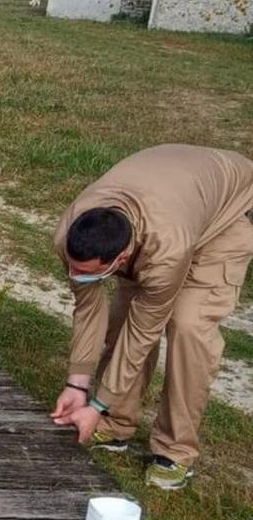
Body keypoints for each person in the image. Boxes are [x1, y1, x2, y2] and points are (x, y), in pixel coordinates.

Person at [50, 145, 253, 490]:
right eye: (73, 267)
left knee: (188, 326)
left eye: (84, 271)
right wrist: (77, 383)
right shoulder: (71, 237)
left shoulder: (166, 249)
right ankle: (115, 425)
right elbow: (88, 310)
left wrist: (97, 401)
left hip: (226, 215)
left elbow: (143, 332)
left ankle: (176, 452)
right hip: (177, 194)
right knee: (121, 316)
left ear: (123, 256)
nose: (73, 273)